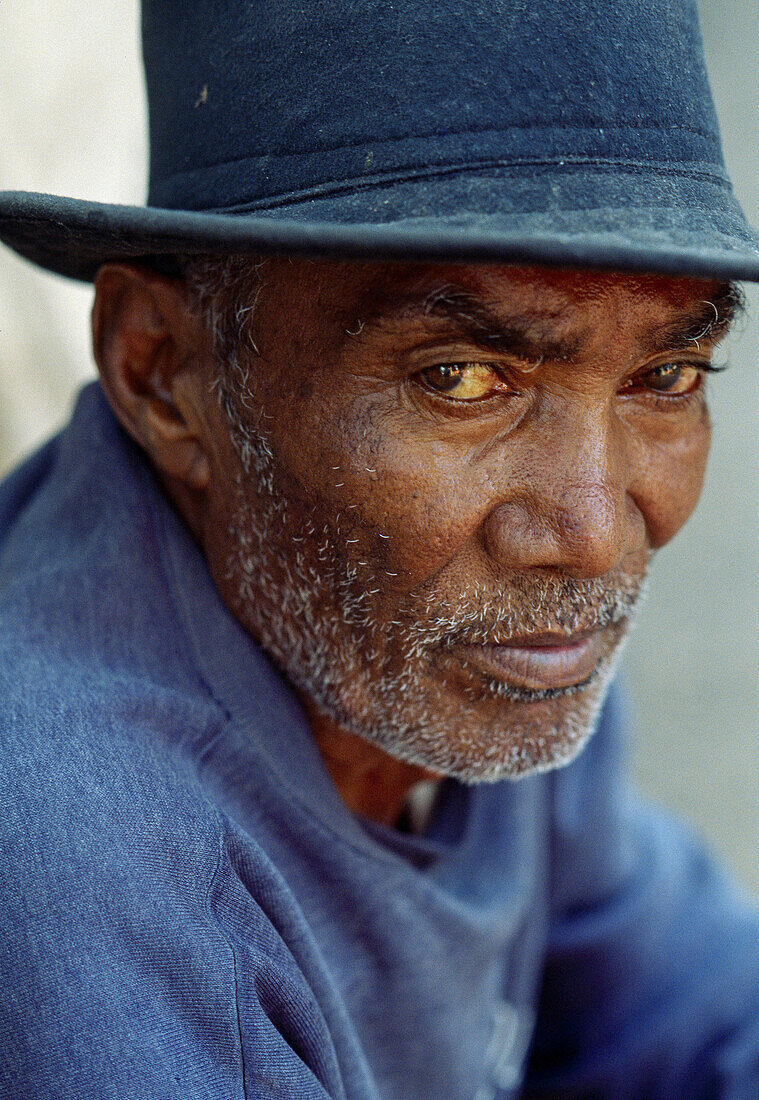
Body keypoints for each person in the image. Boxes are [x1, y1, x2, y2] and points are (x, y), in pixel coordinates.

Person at [1, 1, 758, 1097]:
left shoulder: (476, 645)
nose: (592, 532)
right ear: (164, 371)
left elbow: (680, 1001)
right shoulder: (83, 878)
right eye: (459, 378)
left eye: (667, 378)